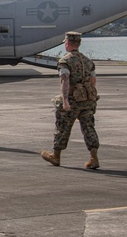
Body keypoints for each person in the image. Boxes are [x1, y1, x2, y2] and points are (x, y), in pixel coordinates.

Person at [41, 31, 101, 168]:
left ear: (67, 44)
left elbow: (65, 81)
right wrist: (91, 97)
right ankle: (94, 157)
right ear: (78, 44)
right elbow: (93, 81)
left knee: (62, 126)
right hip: (87, 99)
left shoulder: (65, 61)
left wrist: (65, 101)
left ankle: (56, 156)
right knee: (89, 127)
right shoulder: (88, 61)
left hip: (73, 99)